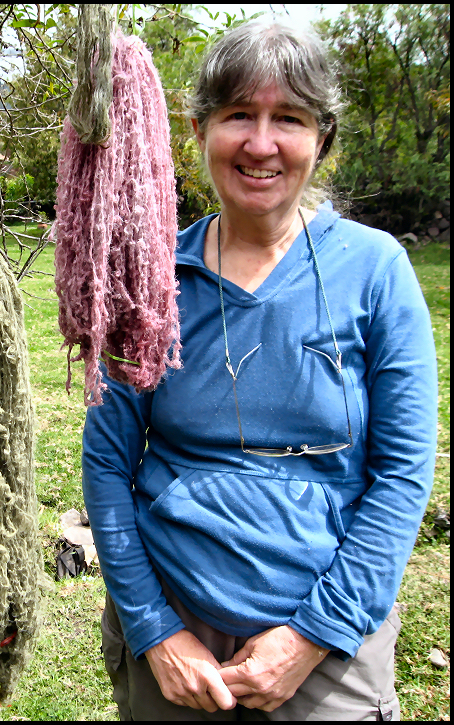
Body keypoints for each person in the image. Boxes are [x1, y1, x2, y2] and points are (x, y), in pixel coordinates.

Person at [81, 18, 438, 721]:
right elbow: (105, 464)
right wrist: (156, 631)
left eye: (291, 119)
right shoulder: (150, 280)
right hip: (176, 641)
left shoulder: (375, 271)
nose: (262, 143)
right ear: (199, 128)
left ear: (322, 139)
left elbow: (402, 475)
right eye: (239, 114)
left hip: (329, 644)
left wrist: (312, 636)